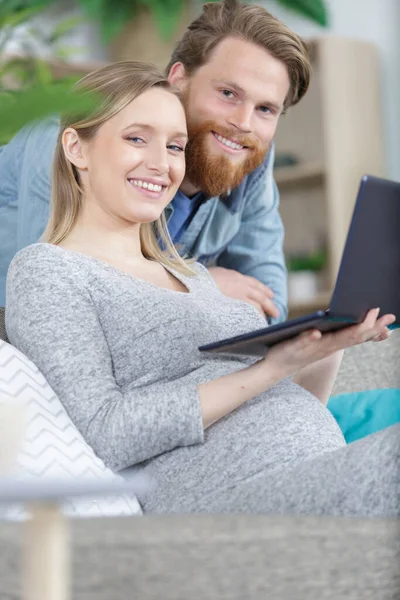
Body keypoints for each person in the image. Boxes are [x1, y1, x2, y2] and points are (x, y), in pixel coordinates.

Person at [6, 61, 399, 518]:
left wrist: (326, 348)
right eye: (137, 138)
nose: (162, 164)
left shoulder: (195, 274)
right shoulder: (48, 271)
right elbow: (104, 432)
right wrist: (273, 369)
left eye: (175, 146)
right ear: (76, 147)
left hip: (314, 472)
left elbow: (288, 408)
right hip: (221, 502)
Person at [0, 0, 313, 321]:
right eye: (228, 94)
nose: (244, 123)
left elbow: (267, 304)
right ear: (179, 80)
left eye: (265, 109)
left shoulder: (245, 153)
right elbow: (56, 294)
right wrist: (197, 285)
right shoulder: (75, 137)